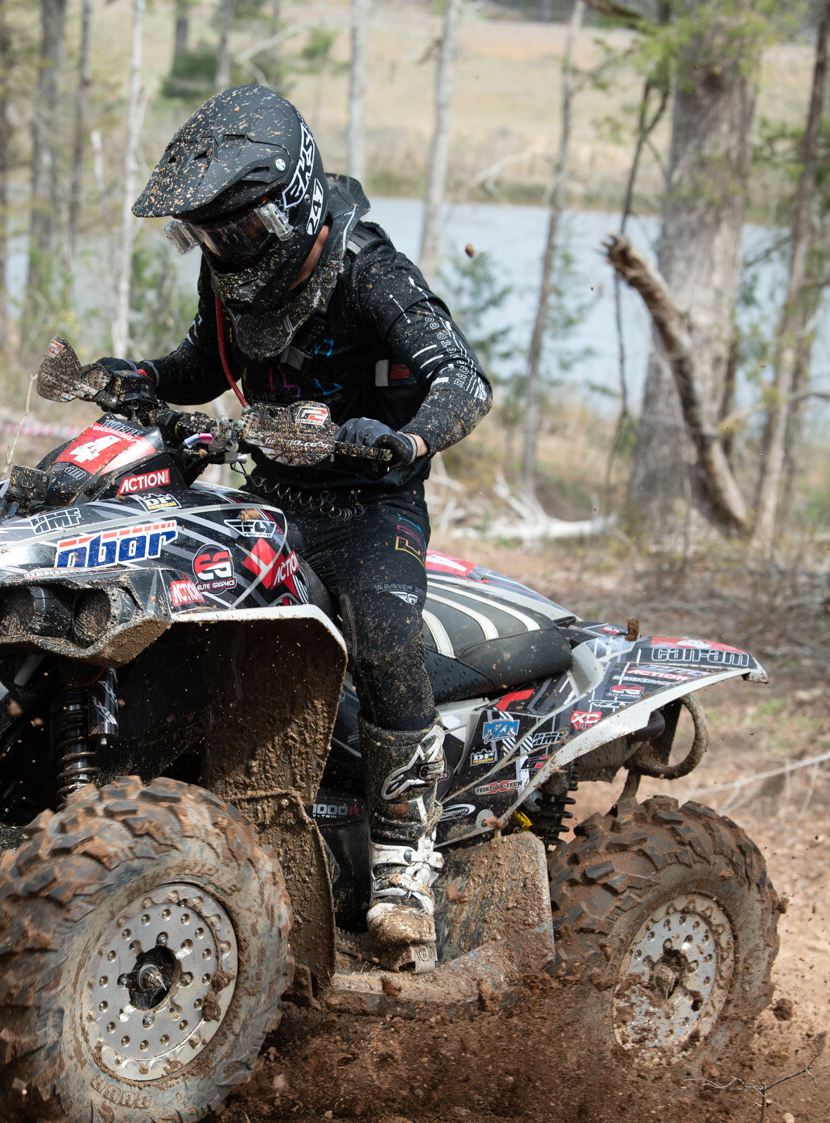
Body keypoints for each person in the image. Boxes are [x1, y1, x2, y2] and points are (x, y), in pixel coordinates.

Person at [97, 85, 492, 973]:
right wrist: (142, 378)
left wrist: (405, 438)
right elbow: (207, 360)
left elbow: (464, 380)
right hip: (269, 492)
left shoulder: (369, 271)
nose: (224, 252)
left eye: (238, 232)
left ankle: (403, 869)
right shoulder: (232, 276)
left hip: (368, 502)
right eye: (206, 235)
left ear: (297, 200)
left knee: (386, 638)